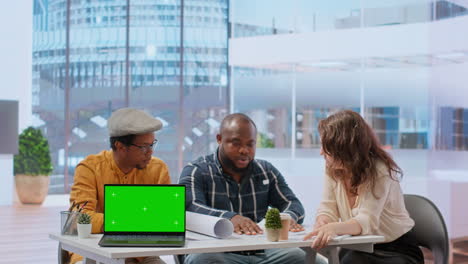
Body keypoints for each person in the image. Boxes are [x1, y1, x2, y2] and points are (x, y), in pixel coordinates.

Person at [179, 113, 315, 264]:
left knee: (305, 258)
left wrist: (286, 218)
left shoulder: (266, 171)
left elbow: (292, 204)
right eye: (236, 143)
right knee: (202, 260)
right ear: (219, 139)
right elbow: (190, 207)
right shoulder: (196, 170)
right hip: (217, 251)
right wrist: (230, 218)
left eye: (250, 144)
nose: (244, 150)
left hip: (262, 251)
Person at [304, 110, 424, 264]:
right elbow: (328, 207)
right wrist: (324, 220)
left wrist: (334, 228)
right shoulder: (332, 168)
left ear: (344, 147)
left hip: (395, 250)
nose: (321, 152)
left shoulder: (379, 170)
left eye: (327, 147)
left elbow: (366, 221)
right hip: (358, 246)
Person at [68, 108, 170, 264]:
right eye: (143, 147)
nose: (150, 152)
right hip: (92, 250)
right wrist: (129, 222)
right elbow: (79, 218)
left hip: (141, 252)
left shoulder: (158, 169)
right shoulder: (89, 168)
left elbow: (164, 217)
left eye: (152, 144)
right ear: (120, 146)